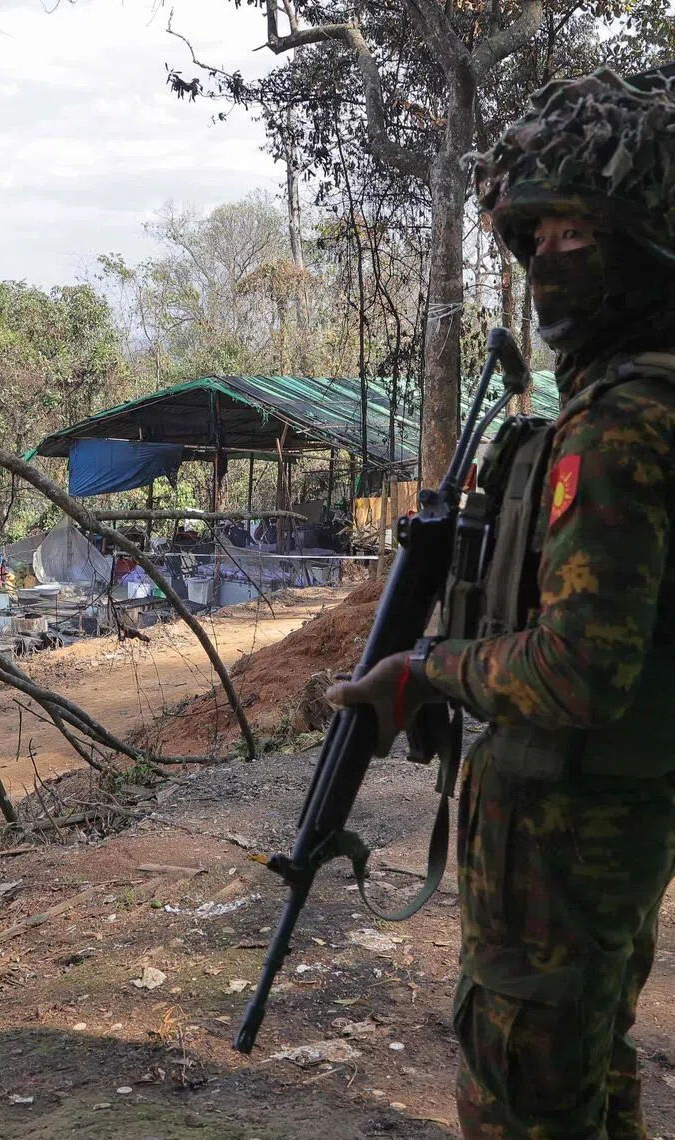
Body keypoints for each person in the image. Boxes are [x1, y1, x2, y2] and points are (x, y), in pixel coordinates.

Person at [326, 68, 675, 1139]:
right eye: (540, 235)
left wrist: (424, 672)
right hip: (597, 822)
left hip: (569, 831)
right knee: (588, 1075)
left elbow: (579, 668)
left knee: (525, 1099)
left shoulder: (625, 425)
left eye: (579, 231)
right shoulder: (632, 403)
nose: (552, 260)